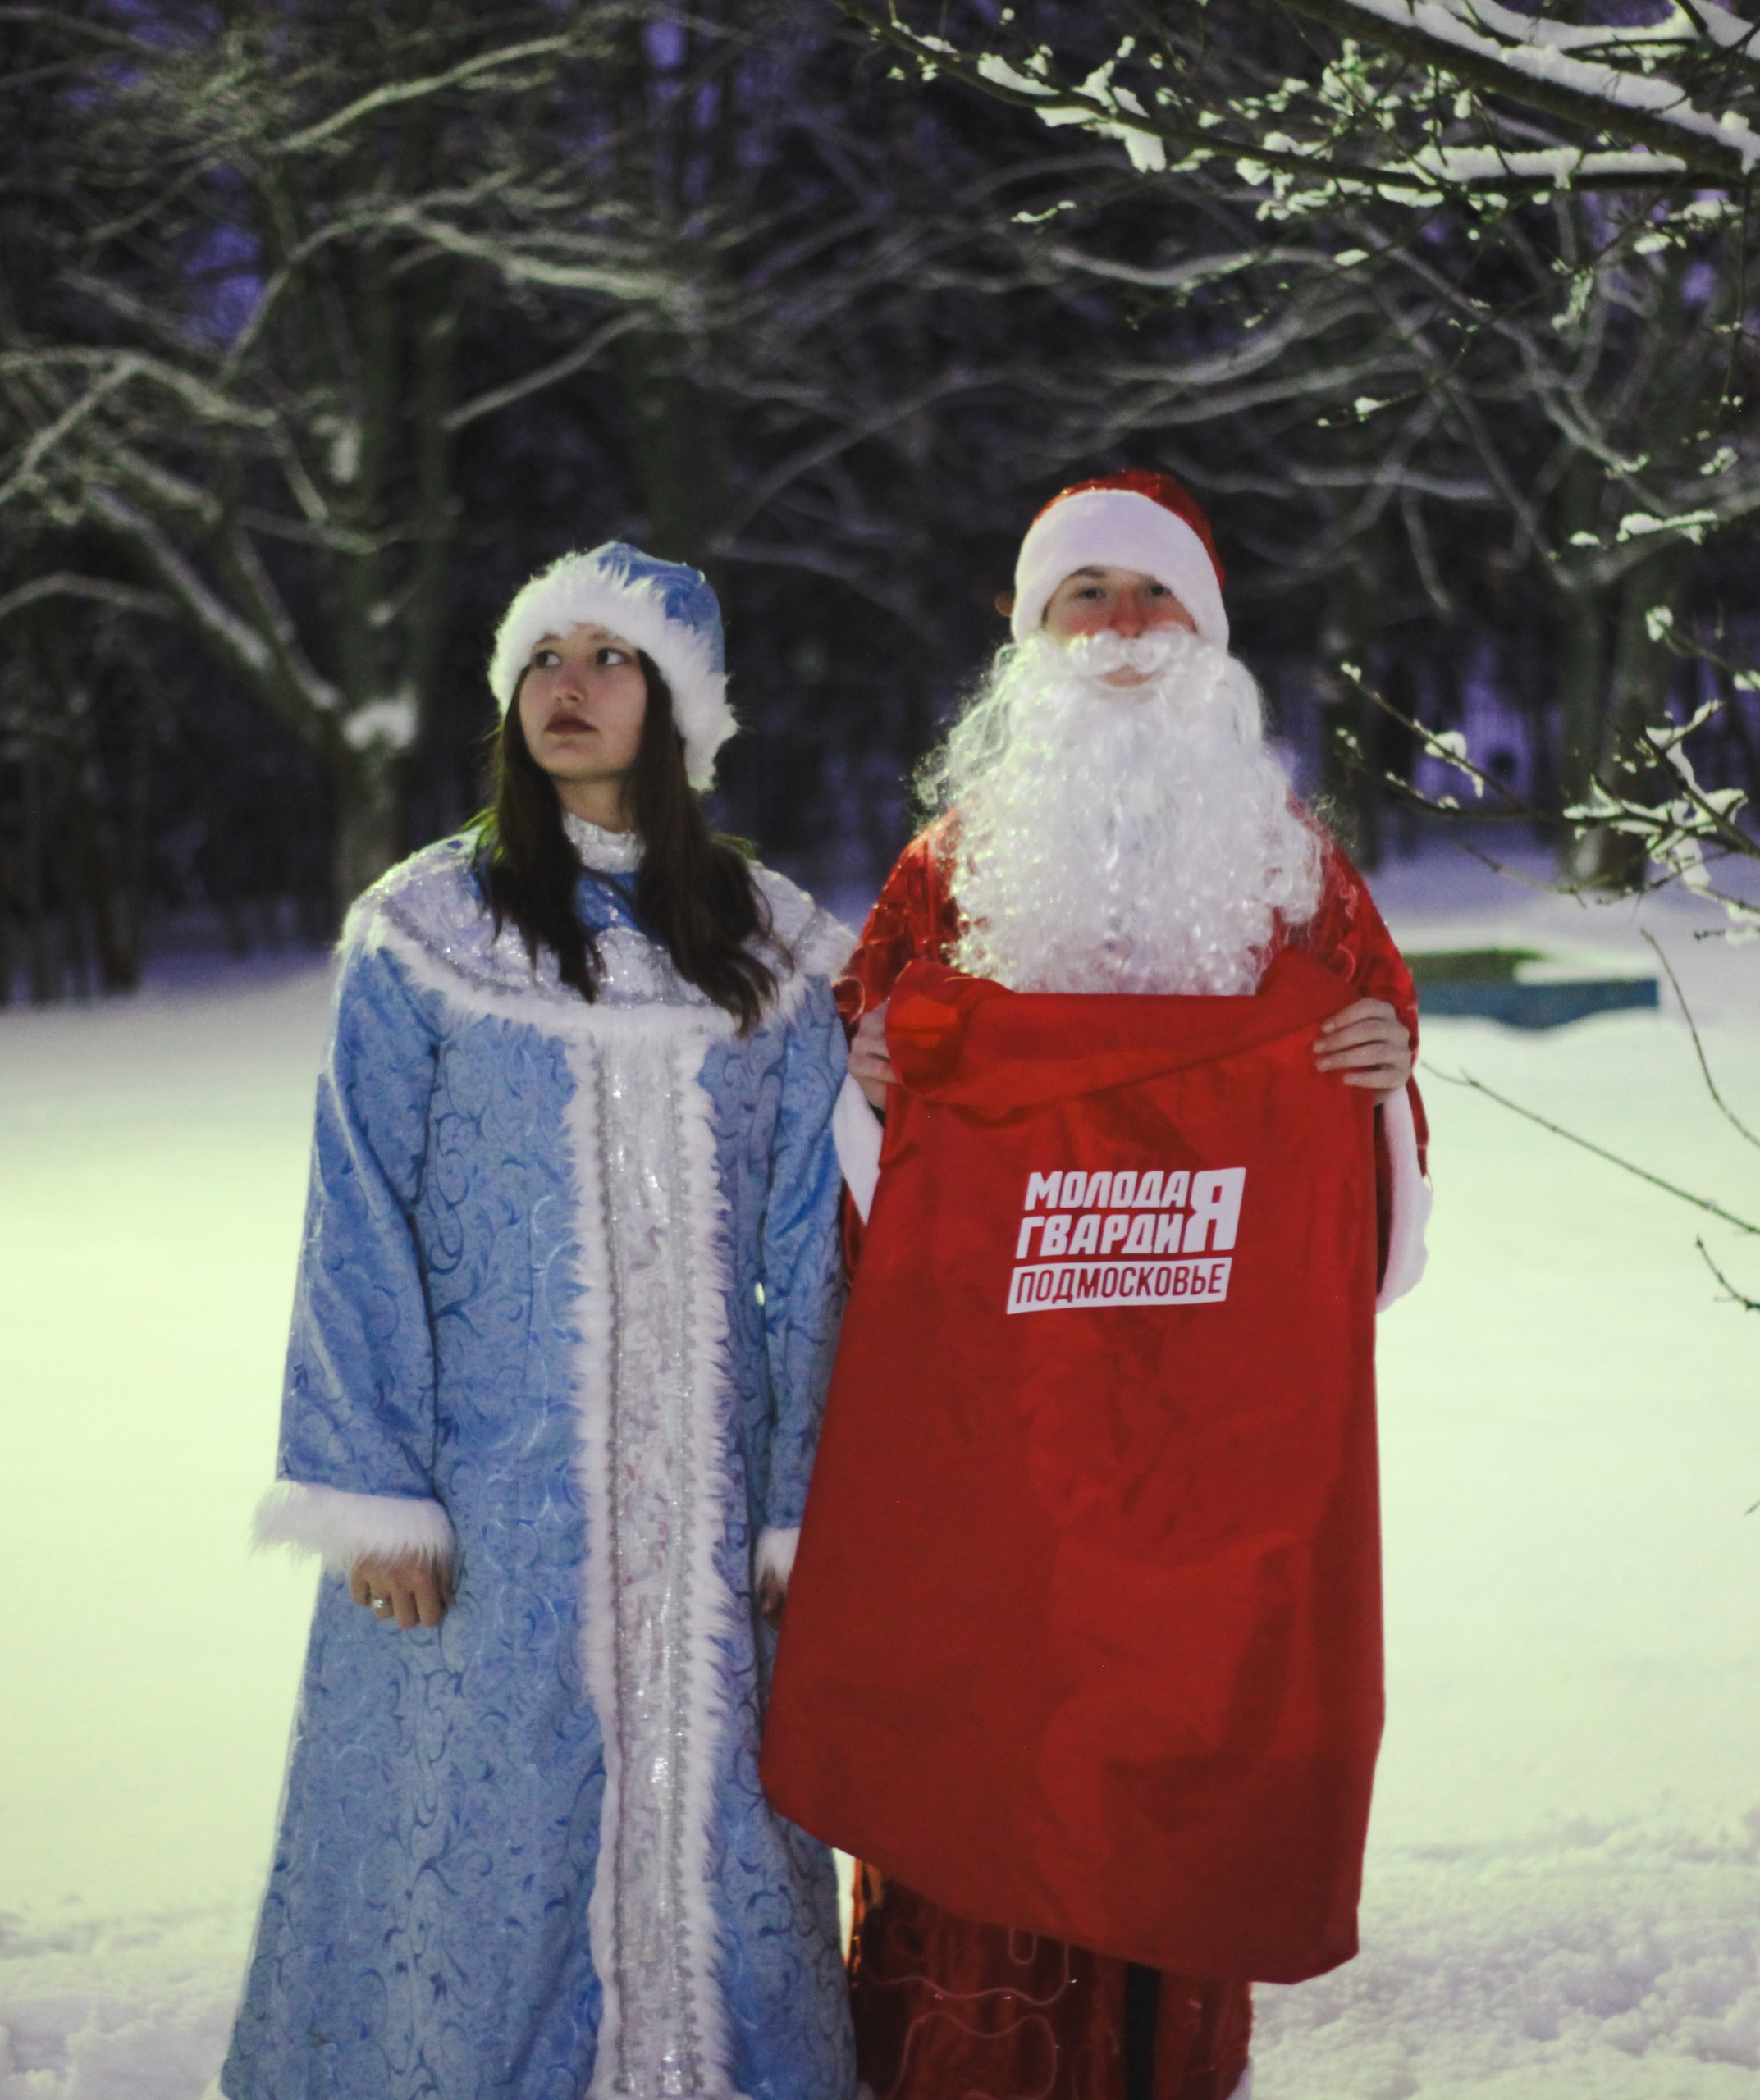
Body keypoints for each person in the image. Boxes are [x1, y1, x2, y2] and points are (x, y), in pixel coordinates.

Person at [816, 471, 1431, 2100]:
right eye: (1079, 596)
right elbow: (852, 1123)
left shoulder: (1288, 866)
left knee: (1184, 1722)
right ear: (1027, 638)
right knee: (983, 1715)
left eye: (1150, 596)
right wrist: (871, 1085)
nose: (1117, 628)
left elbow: (1362, 1102)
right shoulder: (947, 867)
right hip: (992, 1420)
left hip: (1204, 1431)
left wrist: (1373, 1082)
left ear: (1209, 637)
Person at [220, 544, 858, 2100]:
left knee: (719, 1825)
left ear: (680, 702)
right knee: (479, 1839)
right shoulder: (428, 926)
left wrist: (796, 1512)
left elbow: (807, 1251)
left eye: (611, 659)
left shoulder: (770, 945)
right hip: (487, 1502)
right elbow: (356, 1210)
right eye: (544, 659)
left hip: (705, 1520)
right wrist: (375, 1491)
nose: (568, 687)